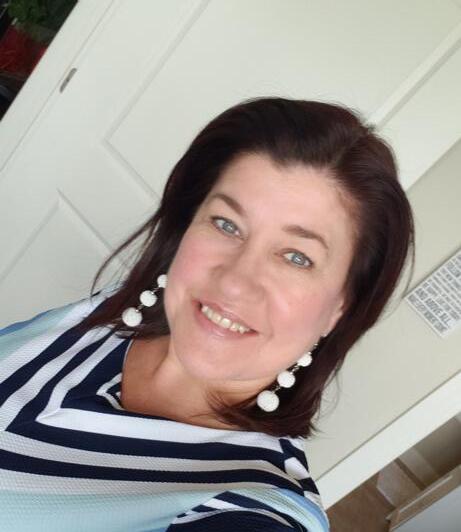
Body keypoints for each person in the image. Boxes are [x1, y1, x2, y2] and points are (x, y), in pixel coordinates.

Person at [0, 97, 415, 531]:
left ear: (340, 308)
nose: (235, 281)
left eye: (296, 257)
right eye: (226, 224)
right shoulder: (118, 308)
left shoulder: (250, 508)